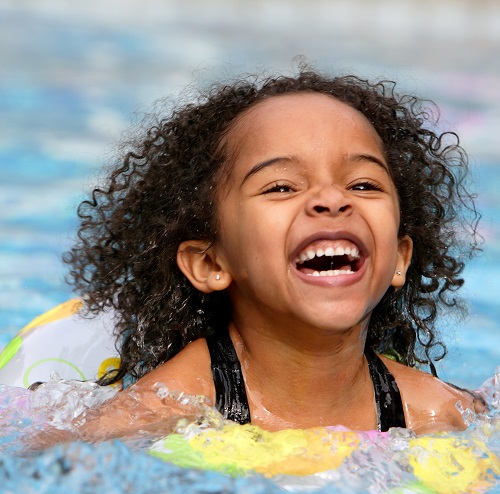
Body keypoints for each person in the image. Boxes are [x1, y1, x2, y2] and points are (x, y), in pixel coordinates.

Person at [62, 67, 484, 439]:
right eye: (281, 186)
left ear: (398, 258)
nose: (332, 199)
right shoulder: (162, 413)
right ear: (210, 263)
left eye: (363, 184)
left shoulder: (441, 414)